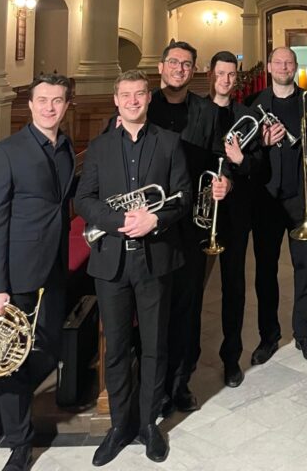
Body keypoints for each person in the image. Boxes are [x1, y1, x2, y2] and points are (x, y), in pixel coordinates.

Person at [75, 70, 189, 467]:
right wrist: (118, 221)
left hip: (155, 258)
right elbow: (84, 199)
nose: (133, 101)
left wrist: (155, 219)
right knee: (117, 348)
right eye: (126, 95)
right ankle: (119, 425)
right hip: (112, 261)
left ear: (148, 98)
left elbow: (183, 196)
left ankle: (148, 424)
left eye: (140, 94)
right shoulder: (100, 146)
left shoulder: (170, 142)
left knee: (155, 346)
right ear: (116, 100)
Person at [0, 74, 76, 471]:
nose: (50, 107)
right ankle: (20, 443)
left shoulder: (66, 147)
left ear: (66, 105)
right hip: (14, 273)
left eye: (57, 100)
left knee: (48, 351)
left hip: (54, 268)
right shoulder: (6, 152)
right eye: (43, 100)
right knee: (11, 357)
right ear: (30, 105)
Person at [147, 40, 227, 413]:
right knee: (153, 307)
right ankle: (152, 384)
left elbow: (217, 159)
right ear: (161, 66)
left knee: (187, 306)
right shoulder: (143, 105)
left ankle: (180, 382)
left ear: (194, 71)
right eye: (174, 62)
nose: (180, 69)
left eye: (187, 64)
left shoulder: (207, 111)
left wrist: (224, 182)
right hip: (150, 225)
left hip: (190, 225)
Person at [249, 46, 307, 365]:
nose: (283, 66)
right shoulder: (254, 104)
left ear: (296, 66)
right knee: (265, 270)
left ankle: (304, 334)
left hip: (301, 196)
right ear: (268, 67)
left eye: (289, 62)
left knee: (306, 268)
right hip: (266, 199)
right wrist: (262, 142)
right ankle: (268, 336)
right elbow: (245, 153)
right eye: (277, 62)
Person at [207, 50, 268, 386]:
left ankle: (231, 357)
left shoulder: (247, 116)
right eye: (221, 74)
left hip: (234, 213)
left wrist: (240, 162)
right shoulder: (196, 111)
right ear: (211, 75)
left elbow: (259, 166)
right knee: (190, 289)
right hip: (200, 212)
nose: (226, 80)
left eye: (232, 75)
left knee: (233, 285)